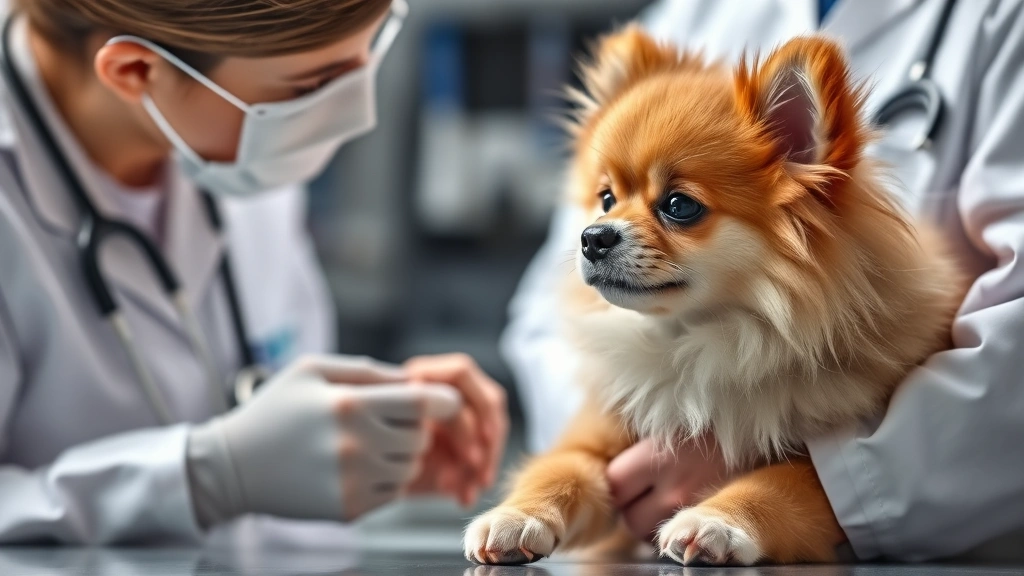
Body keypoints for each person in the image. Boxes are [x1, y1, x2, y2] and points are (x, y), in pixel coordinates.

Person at [504, 0, 1024, 562]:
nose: (605, 229)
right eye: (609, 199)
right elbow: (544, 320)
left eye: (679, 207)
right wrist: (629, 459)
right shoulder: (691, 14)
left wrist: (830, 480)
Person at [0, 0, 508, 545]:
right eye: (311, 86)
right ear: (136, 72)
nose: (361, 114)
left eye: (370, 52)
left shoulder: (244, 150)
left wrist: (361, 442)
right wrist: (207, 476)